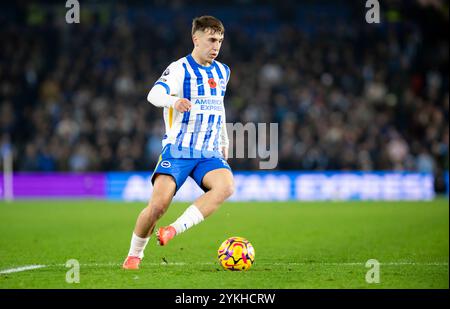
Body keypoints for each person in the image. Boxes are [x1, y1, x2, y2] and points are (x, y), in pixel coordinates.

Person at [123, 16, 234, 270]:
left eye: (220, 41)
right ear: (196, 39)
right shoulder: (180, 69)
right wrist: (174, 102)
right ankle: (134, 255)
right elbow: (154, 94)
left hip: (208, 151)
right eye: (211, 40)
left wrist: (224, 138)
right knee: (158, 206)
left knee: (226, 186)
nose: (216, 46)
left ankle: (173, 229)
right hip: (179, 148)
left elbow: (219, 105)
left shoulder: (223, 71)